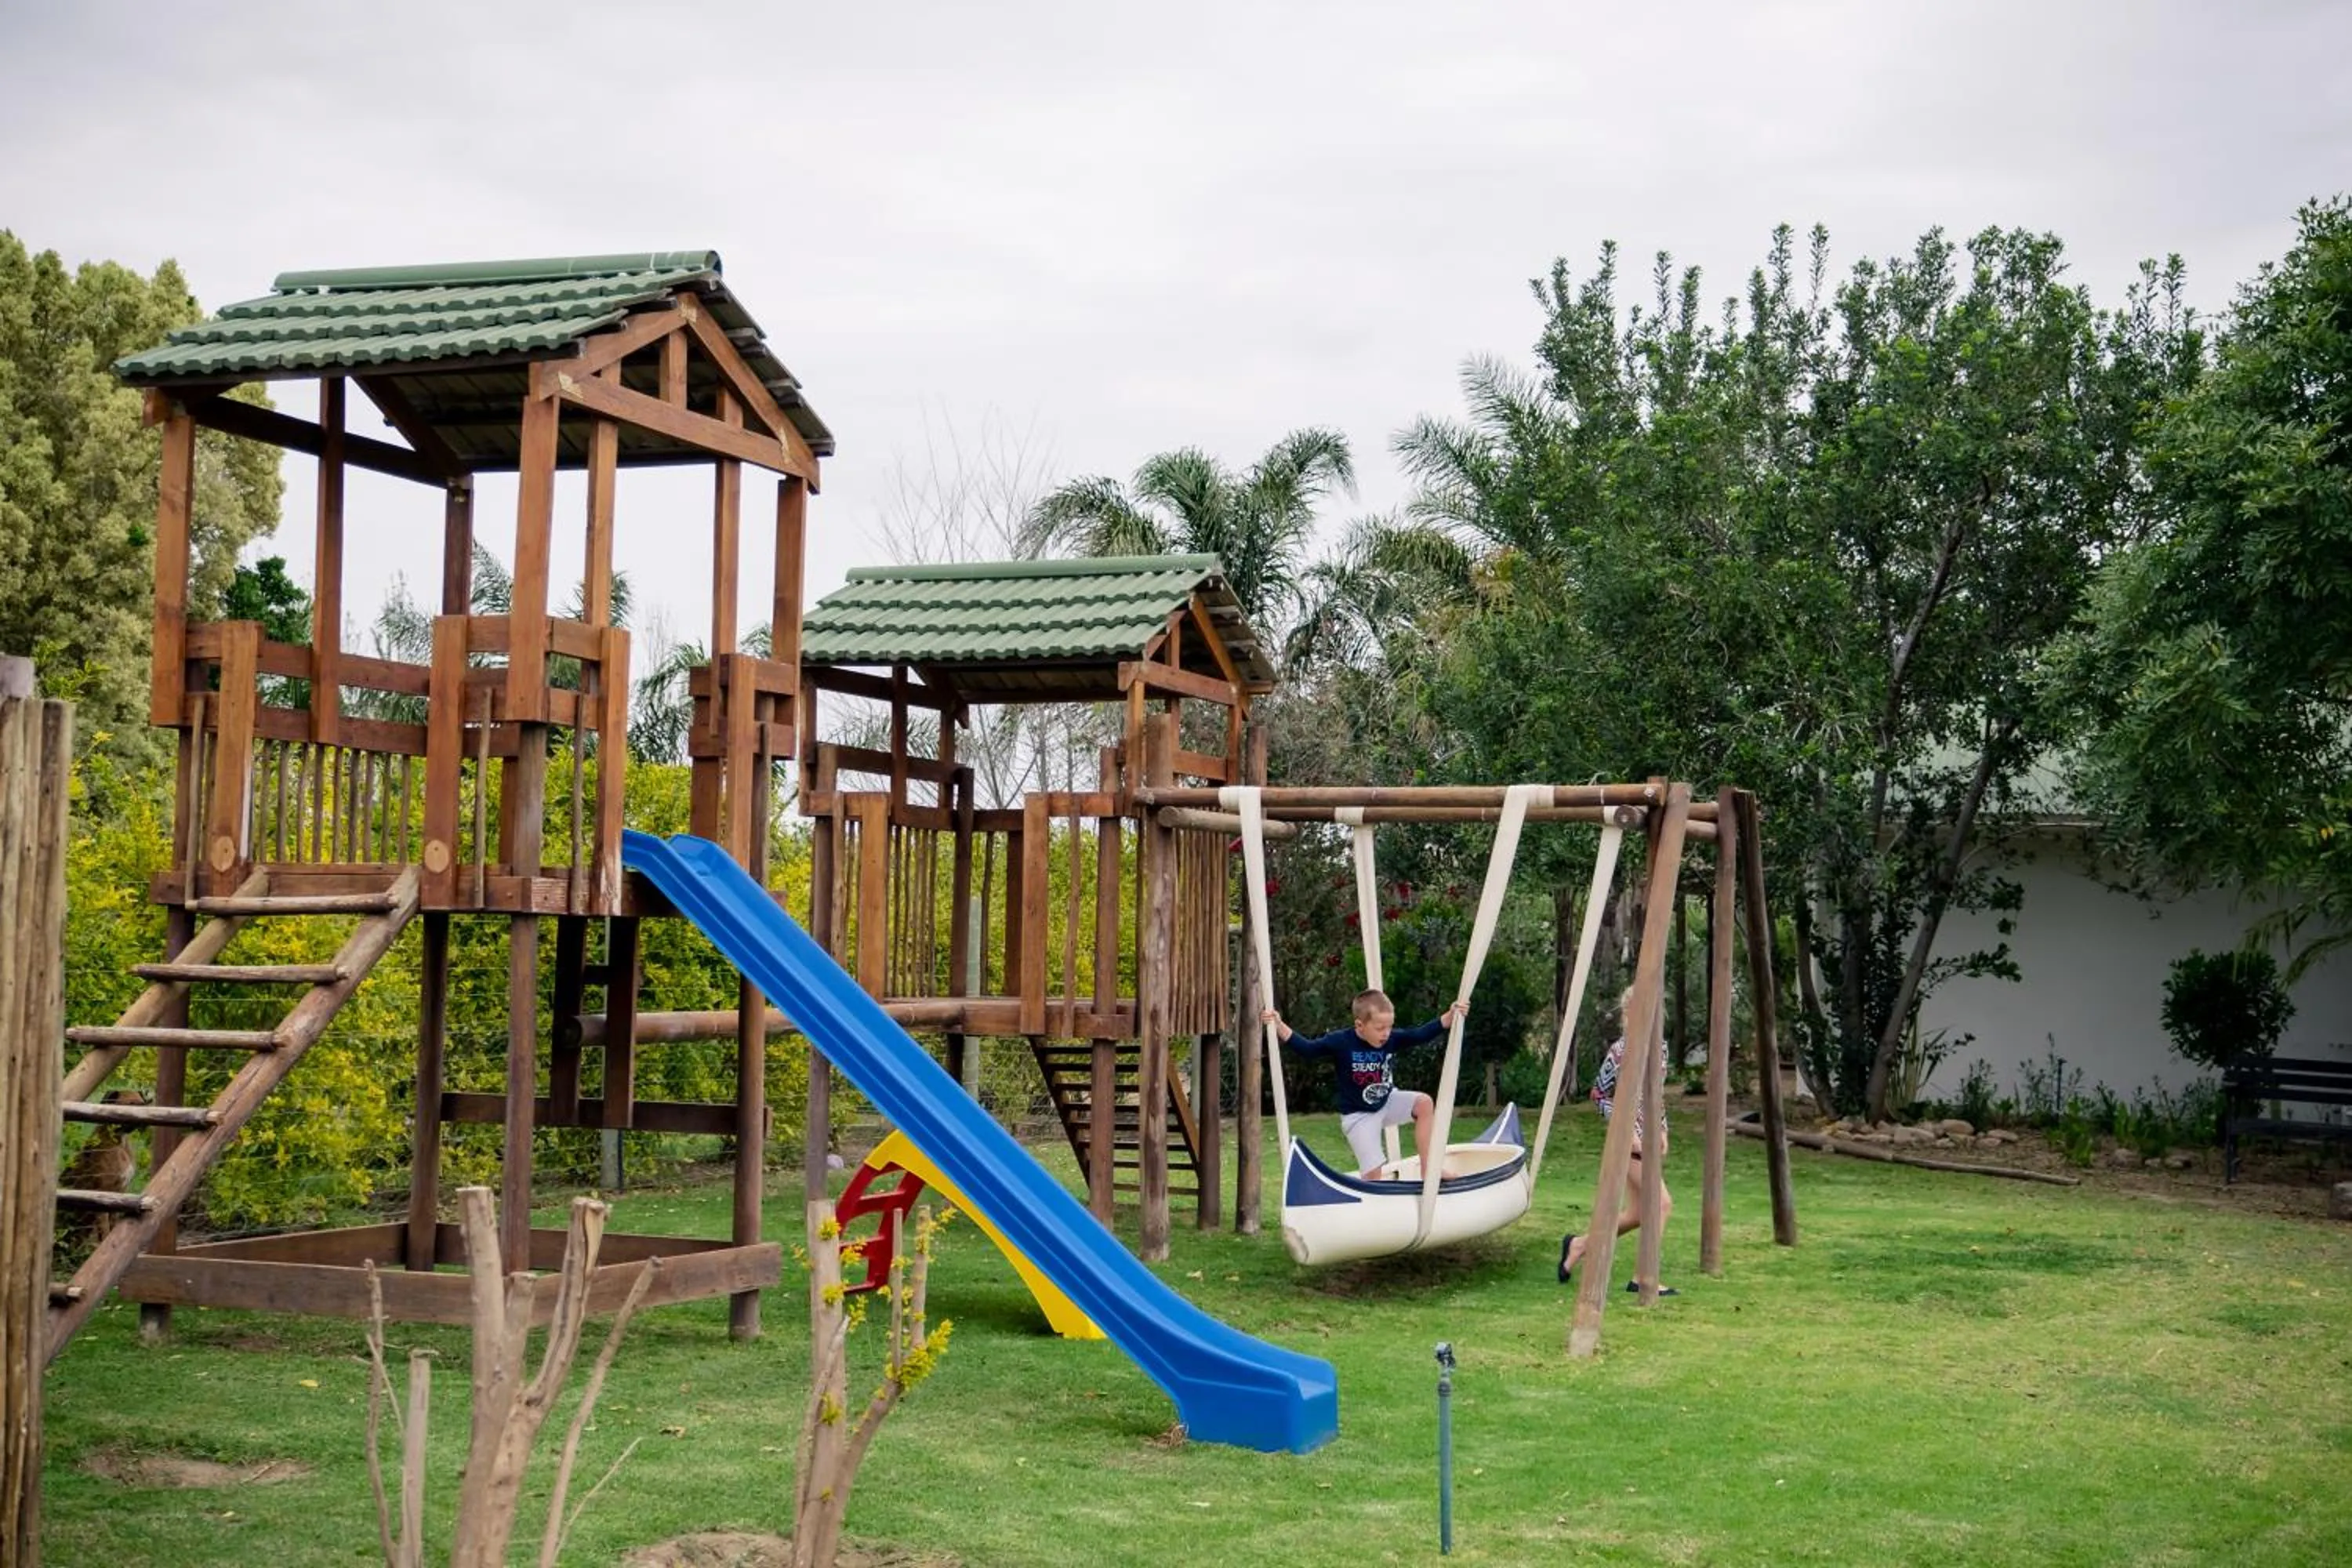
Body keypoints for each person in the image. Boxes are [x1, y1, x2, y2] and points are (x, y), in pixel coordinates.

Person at [1261, 989, 1468, 1177]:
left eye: (1389, 1027)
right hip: (1359, 1117)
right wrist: (1278, 1024)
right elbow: (1308, 1049)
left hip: (1386, 1101)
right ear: (1360, 1025)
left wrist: (1450, 1017)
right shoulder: (1341, 1041)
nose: (1386, 1033)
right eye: (1380, 1028)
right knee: (1373, 1177)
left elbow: (1419, 1035)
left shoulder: (1390, 1039)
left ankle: (1429, 1170)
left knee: (1424, 1103)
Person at [1558, 986, 1675, 1293]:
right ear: (1628, 1012)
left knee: (1638, 1213)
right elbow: (1599, 1095)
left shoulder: (1660, 1047)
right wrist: (1627, 1129)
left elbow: (1656, 1094)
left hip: (1649, 1138)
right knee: (1661, 1204)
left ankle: (1579, 1245)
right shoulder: (1621, 1050)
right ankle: (1643, 1278)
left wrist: (1662, 1128)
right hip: (1627, 1141)